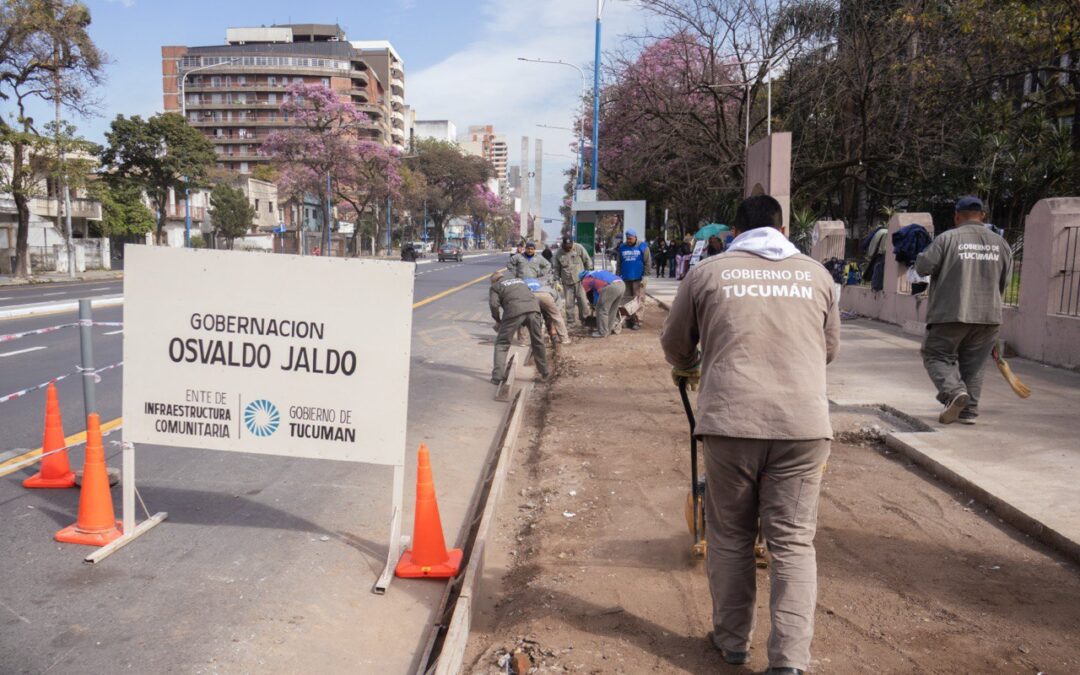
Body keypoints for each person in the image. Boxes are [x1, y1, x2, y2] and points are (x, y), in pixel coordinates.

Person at [660, 195, 840, 675]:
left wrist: (691, 365)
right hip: (803, 427)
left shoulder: (708, 272)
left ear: (736, 230)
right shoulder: (818, 275)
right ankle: (790, 663)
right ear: (782, 228)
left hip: (731, 424)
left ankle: (732, 642)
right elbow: (828, 349)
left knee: (732, 536)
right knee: (794, 543)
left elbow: (676, 346)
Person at [915, 195, 1012, 425]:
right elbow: (1005, 282)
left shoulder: (947, 239)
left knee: (935, 354)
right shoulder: (1001, 244)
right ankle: (968, 412)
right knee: (975, 363)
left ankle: (954, 392)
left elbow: (922, 267)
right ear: (983, 216)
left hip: (951, 312)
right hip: (989, 316)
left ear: (957, 216)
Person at [489, 270, 550, 384]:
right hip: (533, 309)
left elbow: (494, 305)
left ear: (493, 281)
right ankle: (545, 373)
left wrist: (498, 320)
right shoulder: (520, 281)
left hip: (514, 312)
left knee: (502, 343)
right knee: (537, 342)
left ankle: (497, 377)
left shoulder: (495, 287)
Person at [552, 236, 594, 325]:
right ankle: (571, 322)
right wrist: (556, 280)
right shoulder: (558, 253)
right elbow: (556, 268)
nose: (569, 248)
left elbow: (587, 261)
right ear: (563, 244)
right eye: (567, 246)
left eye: (570, 246)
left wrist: (588, 274)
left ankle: (585, 320)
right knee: (569, 304)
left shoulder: (579, 248)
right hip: (567, 282)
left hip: (580, 280)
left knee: (583, 301)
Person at [616, 228, 651, 330]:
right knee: (626, 301)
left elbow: (648, 262)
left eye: (630, 238)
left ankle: (638, 320)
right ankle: (629, 319)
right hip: (625, 278)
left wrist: (645, 276)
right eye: (627, 239)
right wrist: (618, 275)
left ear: (635, 237)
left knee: (638, 300)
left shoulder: (643, 246)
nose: (628, 241)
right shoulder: (622, 247)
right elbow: (619, 263)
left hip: (638, 279)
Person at [579, 269, 625, 337]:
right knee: (612, 309)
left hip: (612, 287)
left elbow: (589, 293)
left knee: (601, 310)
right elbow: (597, 290)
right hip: (621, 284)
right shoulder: (596, 273)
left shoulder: (587, 279)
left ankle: (602, 332)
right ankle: (608, 329)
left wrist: (594, 304)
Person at [525, 278, 569, 344]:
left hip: (530, 295)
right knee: (556, 316)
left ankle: (525, 341)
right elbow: (557, 308)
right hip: (545, 295)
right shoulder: (546, 285)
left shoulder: (523, 282)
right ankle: (564, 339)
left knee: (527, 316)